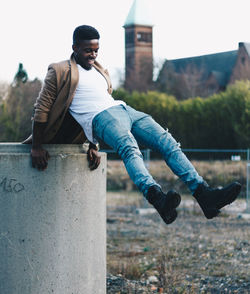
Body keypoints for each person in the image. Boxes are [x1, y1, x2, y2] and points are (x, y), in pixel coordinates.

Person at [23, 25, 241, 225]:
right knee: (130, 148)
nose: (93, 55)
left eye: (96, 50)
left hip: (125, 110)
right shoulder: (59, 70)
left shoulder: (100, 70)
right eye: (88, 50)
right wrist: (37, 146)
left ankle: (205, 195)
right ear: (75, 47)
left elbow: (100, 100)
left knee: (168, 142)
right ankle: (157, 197)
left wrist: (92, 146)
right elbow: (42, 109)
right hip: (101, 117)